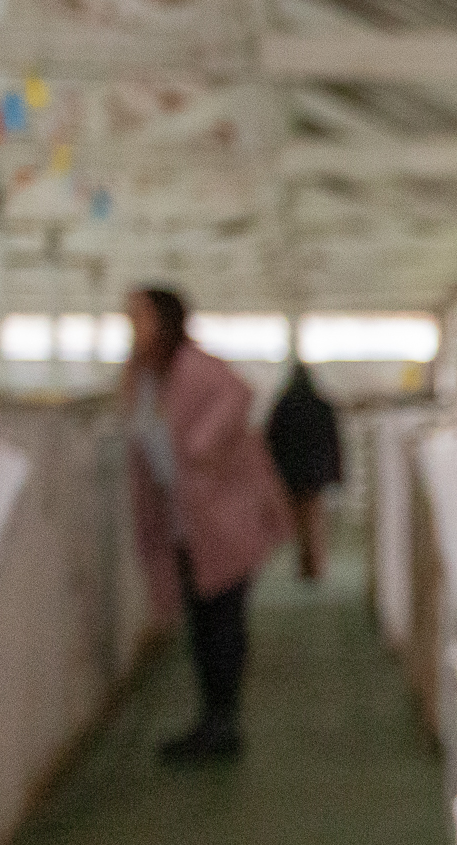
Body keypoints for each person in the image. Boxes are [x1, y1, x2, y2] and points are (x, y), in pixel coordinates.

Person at [122, 286, 292, 764]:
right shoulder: (145, 377)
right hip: (185, 523)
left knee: (221, 621)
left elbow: (238, 396)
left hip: (221, 519)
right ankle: (214, 721)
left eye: (140, 316)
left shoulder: (194, 368)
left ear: (164, 320)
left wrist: (200, 448)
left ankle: (221, 724)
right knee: (204, 624)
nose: (133, 326)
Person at [264, 361, 344, 581]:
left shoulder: (283, 406)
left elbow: (272, 441)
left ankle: (304, 563)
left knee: (299, 522)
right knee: (314, 520)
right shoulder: (322, 406)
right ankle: (314, 565)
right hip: (315, 474)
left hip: (291, 473)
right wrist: (335, 472)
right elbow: (333, 443)